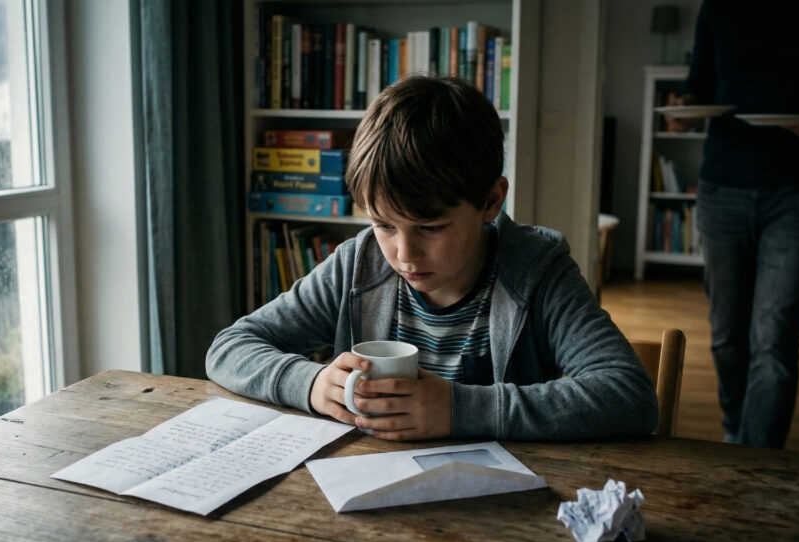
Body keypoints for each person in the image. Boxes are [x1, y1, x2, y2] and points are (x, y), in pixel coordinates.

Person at [207, 76, 657, 441]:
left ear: (490, 200)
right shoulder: (357, 265)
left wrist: (459, 409)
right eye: (384, 225)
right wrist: (307, 382)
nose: (404, 254)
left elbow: (628, 395)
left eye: (431, 228)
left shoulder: (538, 271)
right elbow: (228, 348)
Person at [667, 0, 799, 448]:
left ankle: (757, 456)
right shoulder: (718, 8)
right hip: (723, 186)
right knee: (727, 335)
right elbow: (700, 87)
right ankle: (738, 431)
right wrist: (683, 109)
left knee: (774, 337)